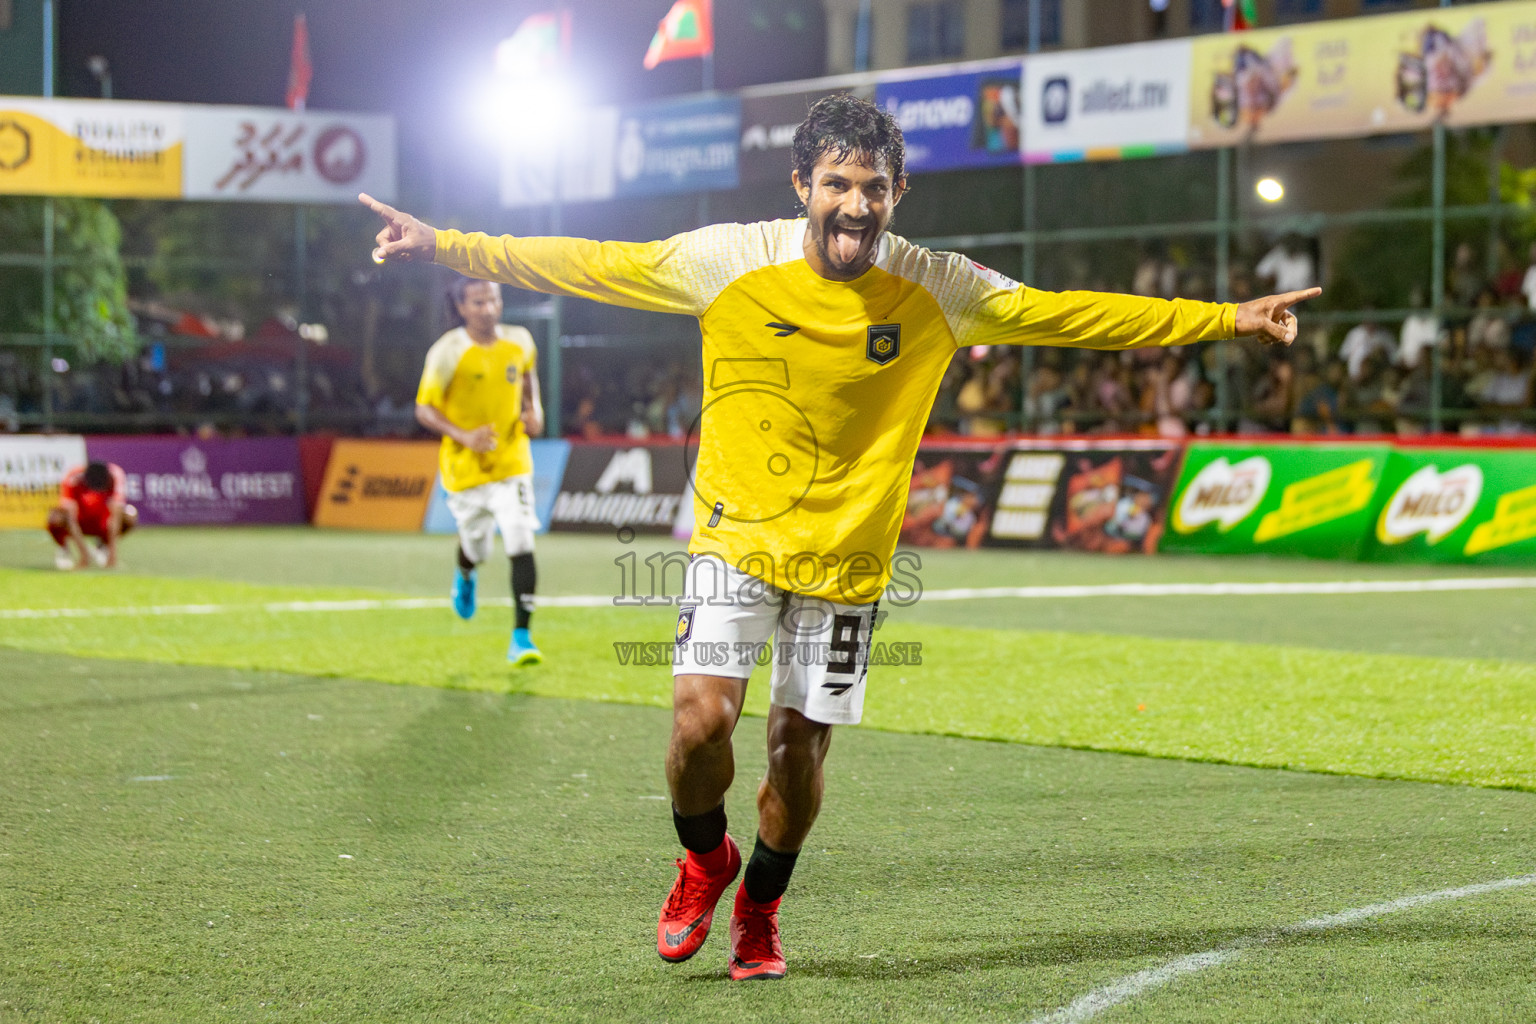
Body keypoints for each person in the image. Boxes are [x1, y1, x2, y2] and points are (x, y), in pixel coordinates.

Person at [363, 93, 1318, 982]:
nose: (855, 206)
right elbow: (585, 262)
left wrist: (1230, 317)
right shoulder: (724, 260)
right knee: (699, 724)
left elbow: (1074, 316)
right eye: (837, 184)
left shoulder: (940, 285)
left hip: (851, 562)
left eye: (874, 188)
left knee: (794, 749)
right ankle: (705, 862)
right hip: (734, 541)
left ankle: (762, 911)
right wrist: (446, 243)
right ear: (803, 188)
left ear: (897, 194)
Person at [415, 275, 545, 666]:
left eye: (493, 300)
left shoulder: (520, 339)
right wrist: (464, 436)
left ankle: (521, 637)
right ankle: (465, 573)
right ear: (460, 308)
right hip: (465, 469)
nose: (487, 309)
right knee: (477, 548)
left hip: (512, 462)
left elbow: (527, 375)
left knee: (521, 541)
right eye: (477, 303)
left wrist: (533, 409)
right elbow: (424, 409)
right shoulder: (448, 352)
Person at [47, 461, 136, 570]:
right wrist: (84, 555)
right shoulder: (73, 477)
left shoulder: (116, 475)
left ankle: (103, 546)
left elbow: (116, 516)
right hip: (81, 518)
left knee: (129, 517)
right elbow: (71, 519)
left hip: (101, 520)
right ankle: (64, 550)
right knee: (55, 518)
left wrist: (113, 556)